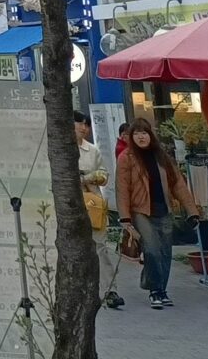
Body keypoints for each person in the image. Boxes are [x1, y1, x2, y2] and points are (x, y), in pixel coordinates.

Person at [116, 117, 202, 310]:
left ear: (150, 135)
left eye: (144, 133)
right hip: (140, 211)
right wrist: (125, 218)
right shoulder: (126, 158)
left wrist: (191, 210)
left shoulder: (161, 156)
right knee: (152, 250)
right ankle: (155, 291)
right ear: (131, 137)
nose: (141, 137)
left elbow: (178, 184)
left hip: (163, 210)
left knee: (164, 253)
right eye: (136, 133)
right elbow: (122, 188)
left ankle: (160, 289)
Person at [75, 112, 123, 310]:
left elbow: (104, 175)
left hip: (92, 204)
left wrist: (89, 177)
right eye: (80, 124)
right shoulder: (57, 149)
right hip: (67, 205)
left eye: (87, 125)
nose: (84, 128)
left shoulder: (92, 150)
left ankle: (109, 290)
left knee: (99, 248)